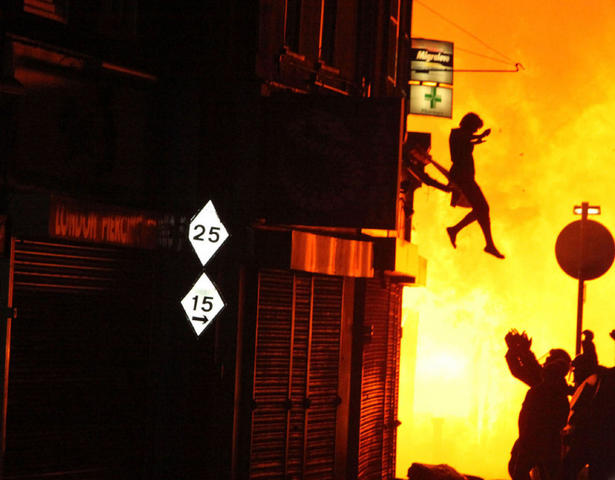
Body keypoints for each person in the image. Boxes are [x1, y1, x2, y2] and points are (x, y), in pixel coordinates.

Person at [505, 329, 572, 480]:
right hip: (543, 440)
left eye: (549, 359)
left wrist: (517, 350)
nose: (545, 362)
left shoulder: (544, 384)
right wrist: (519, 350)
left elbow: (523, 369)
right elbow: (528, 368)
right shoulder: (554, 385)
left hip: (534, 439)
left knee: (521, 471)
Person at [445, 113, 504, 259]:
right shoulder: (457, 134)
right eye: (474, 129)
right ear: (469, 124)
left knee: (481, 209)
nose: (475, 132)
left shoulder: (462, 136)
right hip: (462, 177)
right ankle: (487, 244)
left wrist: (478, 139)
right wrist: (479, 136)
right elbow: (465, 140)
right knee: (483, 208)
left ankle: (456, 230)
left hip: (465, 177)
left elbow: (467, 142)